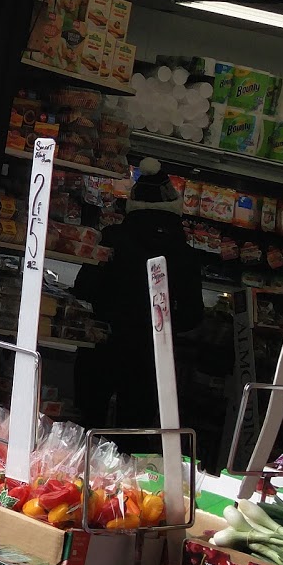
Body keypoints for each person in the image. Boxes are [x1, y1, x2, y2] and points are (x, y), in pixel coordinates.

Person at [73, 159, 204, 429]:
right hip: (150, 355)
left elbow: (84, 287)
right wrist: (160, 324)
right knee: (133, 431)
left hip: (103, 344)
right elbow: (192, 315)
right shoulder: (186, 254)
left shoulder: (112, 238)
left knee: (88, 426)